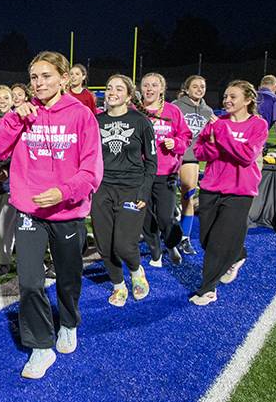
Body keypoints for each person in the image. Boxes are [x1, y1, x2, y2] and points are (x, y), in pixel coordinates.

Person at [0, 51, 102, 380]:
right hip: (29, 210)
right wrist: (13, 118)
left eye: (46, 76)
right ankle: (40, 346)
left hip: (67, 211)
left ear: (64, 79)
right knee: (30, 281)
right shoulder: (23, 114)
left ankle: (68, 321)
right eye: (34, 77)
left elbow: (92, 170)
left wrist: (64, 191)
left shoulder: (82, 116)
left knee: (68, 277)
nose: (39, 83)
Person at [190, 80, 268, 305]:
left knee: (218, 244)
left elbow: (245, 156)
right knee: (206, 239)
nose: (227, 100)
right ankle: (238, 254)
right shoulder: (217, 122)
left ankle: (208, 289)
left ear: (248, 100)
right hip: (212, 187)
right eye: (225, 96)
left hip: (240, 191)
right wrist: (214, 145)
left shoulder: (257, 125)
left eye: (233, 96)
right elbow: (200, 150)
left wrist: (222, 134)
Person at [92, 75, 156, 306]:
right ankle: (118, 285)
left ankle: (136, 270)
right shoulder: (95, 122)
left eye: (119, 89)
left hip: (131, 189)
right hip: (101, 189)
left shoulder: (141, 121)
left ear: (129, 96)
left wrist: (144, 191)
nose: (112, 92)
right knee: (104, 244)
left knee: (123, 244)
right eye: (109, 88)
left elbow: (151, 161)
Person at [139, 72, 191, 267]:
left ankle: (171, 243)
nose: (149, 89)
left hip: (165, 172)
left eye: (154, 85)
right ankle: (155, 251)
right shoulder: (134, 110)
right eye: (146, 85)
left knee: (164, 216)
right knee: (144, 216)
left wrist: (175, 143)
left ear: (162, 88)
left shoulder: (172, 111)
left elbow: (185, 137)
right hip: (140, 174)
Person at [172, 75, 214, 255]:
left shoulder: (207, 111)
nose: (199, 89)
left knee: (188, 196)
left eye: (202, 86)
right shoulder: (175, 106)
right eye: (195, 86)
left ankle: (184, 237)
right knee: (163, 199)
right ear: (186, 89)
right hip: (172, 156)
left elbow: (209, 134)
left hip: (191, 158)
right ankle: (165, 230)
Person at [0, 84, 17, 276]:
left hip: (11, 184)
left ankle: (4, 261)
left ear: (13, 100)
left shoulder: (18, 121)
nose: (2, 101)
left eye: (5, 98)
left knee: (5, 226)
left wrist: (8, 170)